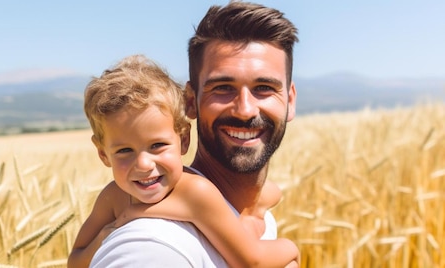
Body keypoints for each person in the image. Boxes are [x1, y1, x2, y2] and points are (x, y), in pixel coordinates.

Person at [89, 1, 299, 267]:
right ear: (190, 101)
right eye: (222, 87)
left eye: (264, 87)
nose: (245, 110)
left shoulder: (262, 216)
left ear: (290, 101)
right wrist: (293, 253)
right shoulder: (151, 249)